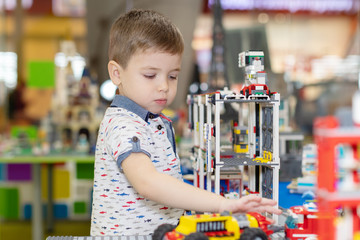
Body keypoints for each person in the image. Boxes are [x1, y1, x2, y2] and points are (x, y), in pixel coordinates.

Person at [91, 9, 282, 236]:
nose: (164, 86)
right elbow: (147, 182)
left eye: (172, 76)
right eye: (150, 75)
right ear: (116, 73)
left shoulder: (154, 120)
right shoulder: (123, 124)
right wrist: (221, 204)